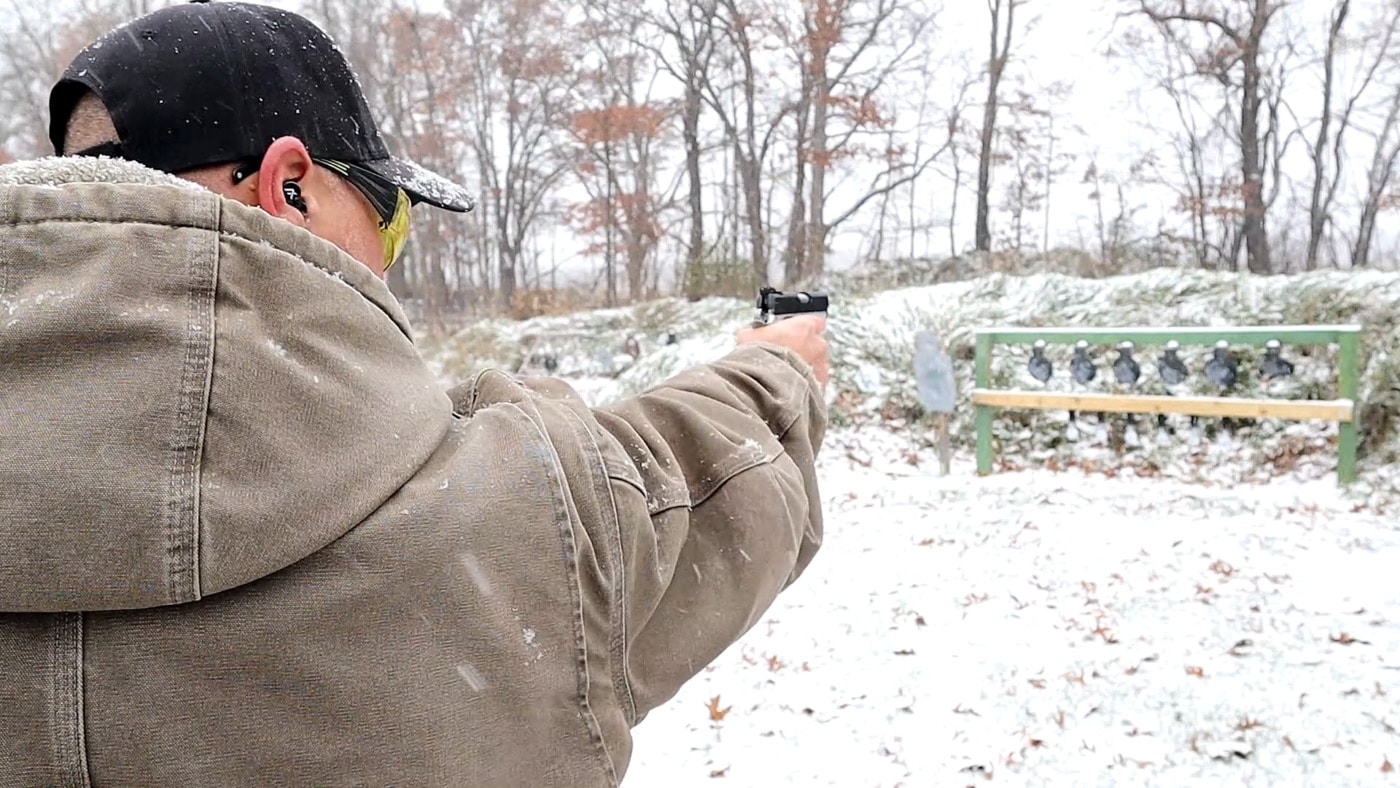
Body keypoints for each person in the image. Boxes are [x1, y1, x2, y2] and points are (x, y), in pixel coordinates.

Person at [0, 2, 829, 786]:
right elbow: (707, 472)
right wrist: (782, 363)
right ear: (289, 190)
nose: (389, 262)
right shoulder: (521, 524)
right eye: (389, 217)